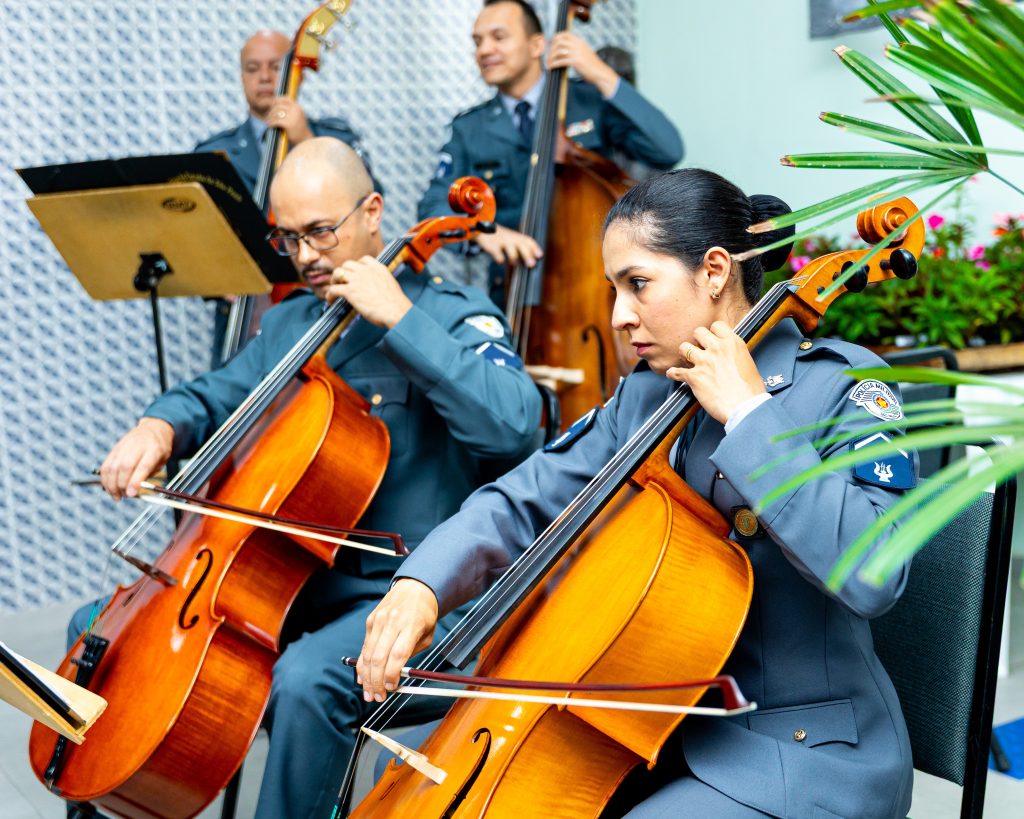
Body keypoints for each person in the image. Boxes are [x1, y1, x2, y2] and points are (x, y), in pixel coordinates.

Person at [358, 169, 917, 818]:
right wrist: (421, 584)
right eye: (614, 289)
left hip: (799, 756)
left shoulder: (840, 387)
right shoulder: (650, 395)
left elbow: (876, 573)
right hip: (650, 732)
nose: (619, 316)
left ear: (715, 272)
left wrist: (749, 413)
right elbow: (522, 498)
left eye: (639, 284)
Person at [67, 137, 542, 819]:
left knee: (310, 678)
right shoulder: (292, 321)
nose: (307, 256)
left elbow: (516, 426)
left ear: (372, 212)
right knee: (98, 636)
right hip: (292, 588)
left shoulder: (450, 314)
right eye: (288, 239)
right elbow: (215, 392)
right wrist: (159, 426)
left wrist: (400, 319)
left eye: (321, 231)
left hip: (412, 598)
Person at [419, 0, 683, 303]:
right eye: (478, 42)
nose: (484, 50)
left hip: (595, 287)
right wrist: (482, 232)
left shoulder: (587, 101)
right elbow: (432, 207)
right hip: (514, 294)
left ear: (537, 45)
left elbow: (667, 149)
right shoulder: (469, 128)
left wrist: (599, 73)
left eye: (499, 37)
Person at [196, 29, 375, 368]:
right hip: (245, 317)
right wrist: (214, 278)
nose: (264, 77)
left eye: (275, 66)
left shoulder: (335, 136)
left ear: (297, 73)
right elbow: (193, 238)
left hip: (323, 300)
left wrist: (305, 138)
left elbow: (367, 197)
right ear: (241, 76)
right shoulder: (214, 153)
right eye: (252, 68)